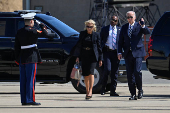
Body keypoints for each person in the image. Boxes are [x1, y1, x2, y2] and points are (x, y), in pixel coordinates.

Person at [15, 13, 53, 105]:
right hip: (31, 58)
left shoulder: (19, 31)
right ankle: (30, 100)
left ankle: (24, 100)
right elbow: (47, 34)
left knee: (23, 80)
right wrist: (42, 25)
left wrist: (17, 59)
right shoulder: (33, 31)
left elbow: (16, 47)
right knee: (31, 80)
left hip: (22, 58)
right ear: (31, 21)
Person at [118, 11, 150, 100]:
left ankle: (140, 90)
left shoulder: (139, 25)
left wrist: (143, 25)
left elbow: (147, 32)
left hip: (138, 53)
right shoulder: (124, 27)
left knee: (137, 72)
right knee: (129, 75)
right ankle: (132, 94)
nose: (129, 19)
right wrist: (119, 52)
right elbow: (120, 42)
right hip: (128, 54)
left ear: (135, 17)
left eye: (131, 17)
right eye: (128, 17)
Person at [73, 19, 103, 100]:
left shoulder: (96, 35)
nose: (89, 28)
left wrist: (100, 59)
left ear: (93, 27)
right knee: (86, 74)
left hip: (93, 56)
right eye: (87, 26)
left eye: (90, 27)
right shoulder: (82, 34)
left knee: (91, 72)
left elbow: (99, 47)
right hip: (84, 55)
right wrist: (77, 56)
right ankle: (87, 90)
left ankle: (90, 91)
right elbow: (79, 45)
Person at [100, 15, 121, 96]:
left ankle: (113, 91)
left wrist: (121, 52)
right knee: (107, 70)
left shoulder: (120, 30)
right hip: (107, 52)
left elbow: (122, 42)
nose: (113, 21)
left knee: (115, 72)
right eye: (112, 20)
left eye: (115, 20)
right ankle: (103, 88)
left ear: (117, 22)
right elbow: (100, 41)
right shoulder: (105, 29)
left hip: (116, 53)